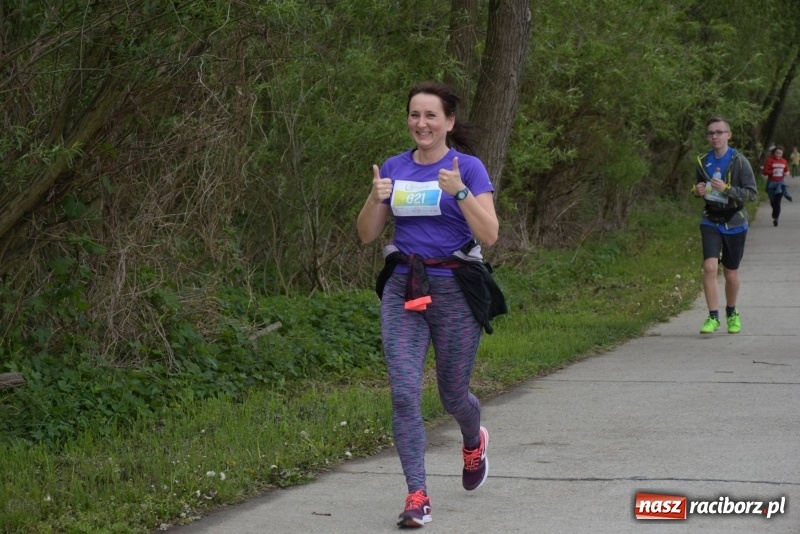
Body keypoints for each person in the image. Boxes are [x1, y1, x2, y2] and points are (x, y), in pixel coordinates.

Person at [357, 81, 506, 528]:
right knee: (404, 392)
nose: (421, 123)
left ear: (449, 122)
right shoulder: (396, 168)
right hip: (406, 285)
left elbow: (490, 235)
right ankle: (417, 495)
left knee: (452, 393)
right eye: (414, 115)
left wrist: (459, 192)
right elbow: (367, 235)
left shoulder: (469, 168)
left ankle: (472, 436)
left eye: (431, 116)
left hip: (456, 289)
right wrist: (374, 196)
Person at [693, 116, 757, 335]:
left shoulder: (739, 161)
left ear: (729, 135)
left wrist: (727, 189)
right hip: (710, 219)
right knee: (710, 267)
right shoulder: (702, 161)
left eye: (719, 132)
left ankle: (731, 312)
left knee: (730, 274)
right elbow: (699, 186)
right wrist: (697, 190)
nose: (714, 136)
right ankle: (713, 317)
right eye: (711, 133)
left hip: (735, 221)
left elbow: (751, 193)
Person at [762, 145, 793, 227]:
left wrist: (787, 173)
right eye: (777, 153)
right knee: (773, 201)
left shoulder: (784, 161)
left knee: (778, 202)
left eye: (780, 153)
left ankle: (776, 218)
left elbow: (787, 171)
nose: (778, 155)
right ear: (774, 153)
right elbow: (765, 171)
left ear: (782, 154)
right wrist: (772, 171)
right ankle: (774, 213)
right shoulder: (770, 160)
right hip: (771, 184)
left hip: (781, 184)